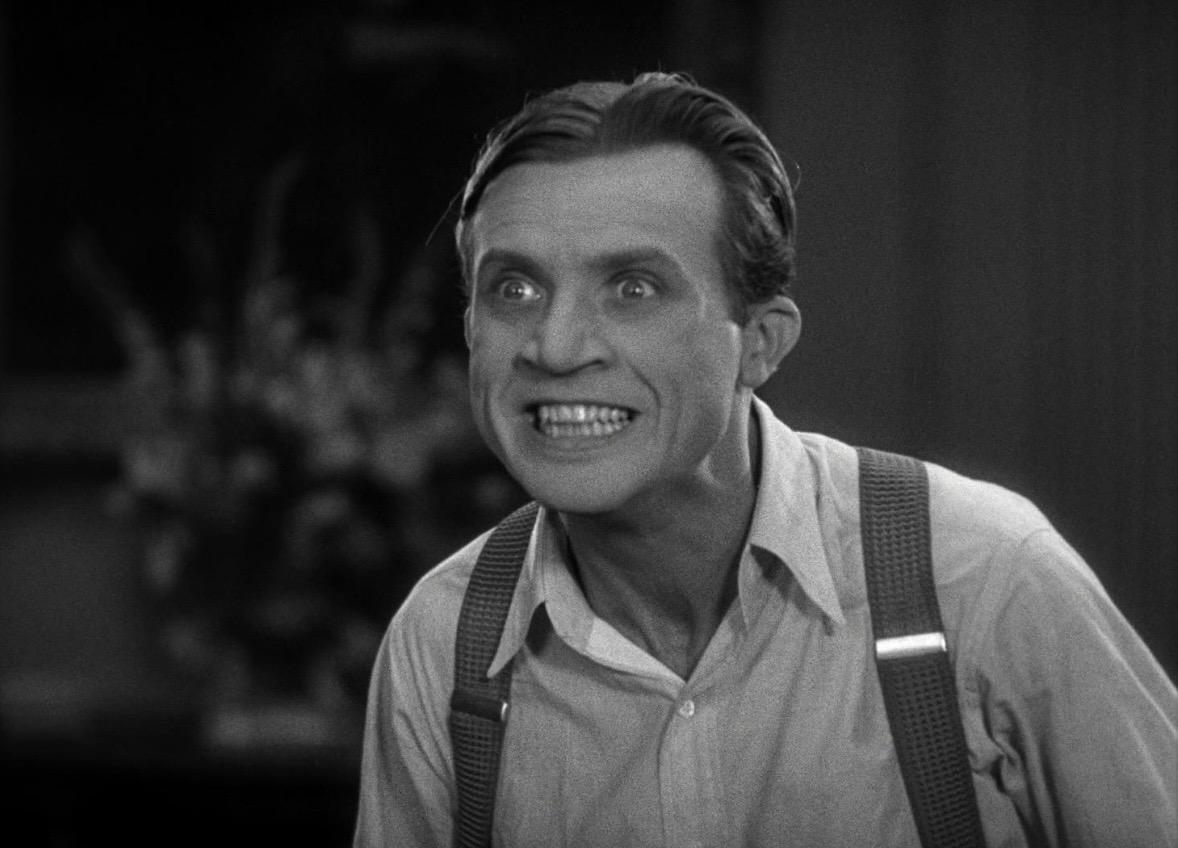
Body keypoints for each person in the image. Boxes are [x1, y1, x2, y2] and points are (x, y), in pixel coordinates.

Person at [353, 72, 1176, 847]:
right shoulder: (444, 640)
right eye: (516, 289)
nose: (556, 347)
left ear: (761, 343)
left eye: (633, 288)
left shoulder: (984, 579)